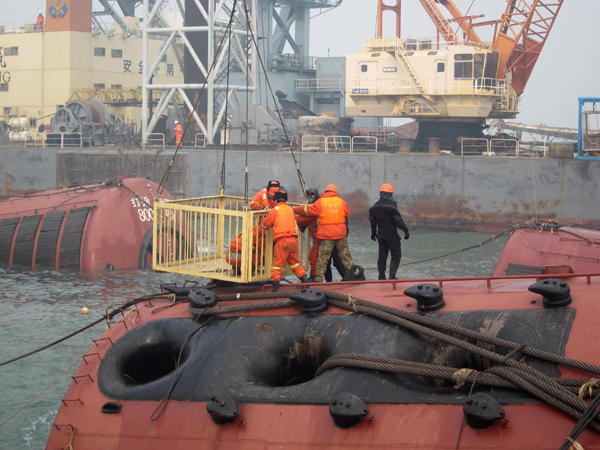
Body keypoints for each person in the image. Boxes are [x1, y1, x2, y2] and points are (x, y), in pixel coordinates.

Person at [296, 184, 353, 282]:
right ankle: (354, 276)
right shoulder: (341, 202)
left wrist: (293, 211)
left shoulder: (320, 203)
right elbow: (348, 214)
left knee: (323, 259)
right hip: (340, 235)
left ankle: (318, 280)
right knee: (346, 258)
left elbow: (307, 211)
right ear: (335, 192)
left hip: (326, 236)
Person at [260, 191, 308, 291]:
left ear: (275, 200)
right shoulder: (290, 210)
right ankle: (306, 283)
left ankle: (275, 288)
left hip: (282, 241)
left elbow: (265, 225)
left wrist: (262, 220)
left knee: (277, 266)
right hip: (293, 241)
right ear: (285, 200)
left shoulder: (274, 211)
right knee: (295, 264)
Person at [369, 183, 409, 280]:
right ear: (390, 194)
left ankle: (381, 276)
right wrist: (405, 230)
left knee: (382, 256)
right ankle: (392, 277)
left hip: (381, 236)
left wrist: (373, 234)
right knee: (396, 255)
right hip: (392, 236)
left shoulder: (374, 207)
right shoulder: (392, 206)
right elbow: (398, 221)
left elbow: (373, 223)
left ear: (381, 194)